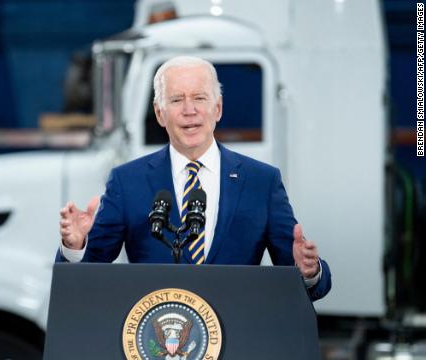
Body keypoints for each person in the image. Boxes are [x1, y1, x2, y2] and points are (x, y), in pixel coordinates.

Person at [56, 56, 331, 301]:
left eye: (199, 98)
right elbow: (86, 278)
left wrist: (309, 271)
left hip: (238, 340)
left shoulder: (261, 181)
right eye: (176, 100)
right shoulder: (127, 182)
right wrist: (76, 246)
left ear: (218, 108)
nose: (190, 110)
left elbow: (307, 285)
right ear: (160, 113)